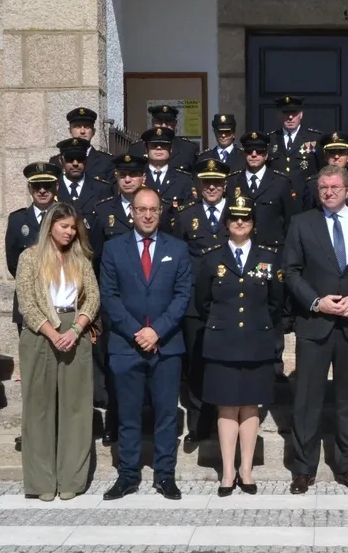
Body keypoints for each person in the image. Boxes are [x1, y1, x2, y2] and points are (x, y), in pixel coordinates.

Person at [283, 165, 348, 494]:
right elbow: (290, 269)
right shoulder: (302, 223)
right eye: (323, 187)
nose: (328, 192)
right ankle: (303, 468)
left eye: (334, 187)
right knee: (307, 400)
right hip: (315, 324)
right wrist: (316, 302)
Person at [100, 187, 192, 501]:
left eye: (153, 209)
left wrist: (157, 332)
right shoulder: (113, 249)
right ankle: (128, 475)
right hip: (126, 345)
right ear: (132, 212)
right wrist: (138, 332)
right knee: (128, 414)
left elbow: (182, 296)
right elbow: (109, 297)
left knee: (166, 415)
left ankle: (165, 476)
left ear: (161, 211)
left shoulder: (178, 249)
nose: (148, 215)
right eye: (142, 209)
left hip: (167, 346)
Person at [196, 196, 284, 496]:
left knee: (250, 406)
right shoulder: (211, 258)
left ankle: (246, 469)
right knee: (226, 406)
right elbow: (203, 301)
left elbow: (276, 302)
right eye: (234, 219)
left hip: (257, 342)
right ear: (226, 223)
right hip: (223, 343)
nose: (240, 223)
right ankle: (227, 471)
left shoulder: (269, 259)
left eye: (245, 219)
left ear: (253, 223)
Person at [16, 202, 99, 501]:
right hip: (41, 332)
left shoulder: (81, 259)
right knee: (39, 408)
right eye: (64, 226)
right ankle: (42, 482)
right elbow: (26, 301)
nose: (69, 232)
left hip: (74, 328)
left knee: (75, 407)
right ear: (50, 225)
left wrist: (76, 329)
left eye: (73, 227)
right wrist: (53, 332)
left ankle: (71, 479)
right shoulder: (30, 258)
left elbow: (93, 298)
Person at [226, 130, 302, 380]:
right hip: (240, 253)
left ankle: (274, 361)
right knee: (242, 304)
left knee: (272, 307)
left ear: (267, 154)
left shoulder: (280, 181)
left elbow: (290, 222)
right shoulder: (233, 181)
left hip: (271, 255)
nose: (254, 154)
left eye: (259, 151)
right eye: (249, 151)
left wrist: (288, 258)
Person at [89, 153, 150, 445]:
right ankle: (114, 421)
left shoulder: (153, 208)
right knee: (115, 366)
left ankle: (145, 420)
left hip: (151, 300)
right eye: (123, 174)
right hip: (115, 302)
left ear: (143, 178)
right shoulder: (103, 211)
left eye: (133, 174)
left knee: (151, 362)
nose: (127, 179)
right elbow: (96, 258)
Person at [172, 158, 232, 444]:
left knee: (224, 363)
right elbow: (177, 259)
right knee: (196, 364)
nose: (211, 187)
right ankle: (198, 424)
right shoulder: (185, 216)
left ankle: (225, 421)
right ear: (199, 184)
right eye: (206, 182)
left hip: (228, 301)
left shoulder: (238, 214)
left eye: (217, 182)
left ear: (225, 184)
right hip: (195, 303)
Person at [7, 162, 61, 334]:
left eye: (48, 185)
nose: (42, 190)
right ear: (30, 188)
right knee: (31, 356)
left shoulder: (67, 216)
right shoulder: (17, 220)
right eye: (37, 186)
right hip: (28, 297)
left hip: (60, 295)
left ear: (56, 186)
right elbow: (13, 262)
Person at [303, 132, 348, 213]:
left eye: (341, 152)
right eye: (332, 152)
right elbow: (306, 218)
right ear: (325, 156)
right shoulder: (312, 185)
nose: (336, 157)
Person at [55, 137, 114, 225]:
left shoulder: (102, 189)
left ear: (86, 160)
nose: (75, 163)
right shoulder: (52, 189)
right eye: (70, 159)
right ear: (61, 161)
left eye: (80, 158)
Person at [49, 107, 115, 183]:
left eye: (87, 127)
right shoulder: (56, 161)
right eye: (77, 126)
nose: (82, 131)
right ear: (70, 130)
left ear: (93, 131)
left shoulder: (107, 161)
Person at [141, 126, 196, 216]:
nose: (159, 148)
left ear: (170, 150)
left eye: (163, 145)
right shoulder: (138, 177)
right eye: (154, 145)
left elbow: (190, 210)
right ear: (146, 149)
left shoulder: (183, 180)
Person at [127, 104, 199, 171]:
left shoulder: (188, 149)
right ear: (153, 122)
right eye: (159, 121)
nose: (164, 125)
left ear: (175, 123)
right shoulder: (137, 149)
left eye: (168, 121)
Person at [268, 95, 322, 182]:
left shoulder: (315, 138)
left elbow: (322, 168)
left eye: (294, 113)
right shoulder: (271, 139)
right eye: (286, 113)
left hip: (305, 193)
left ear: (301, 115)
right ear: (279, 115)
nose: (290, 117)